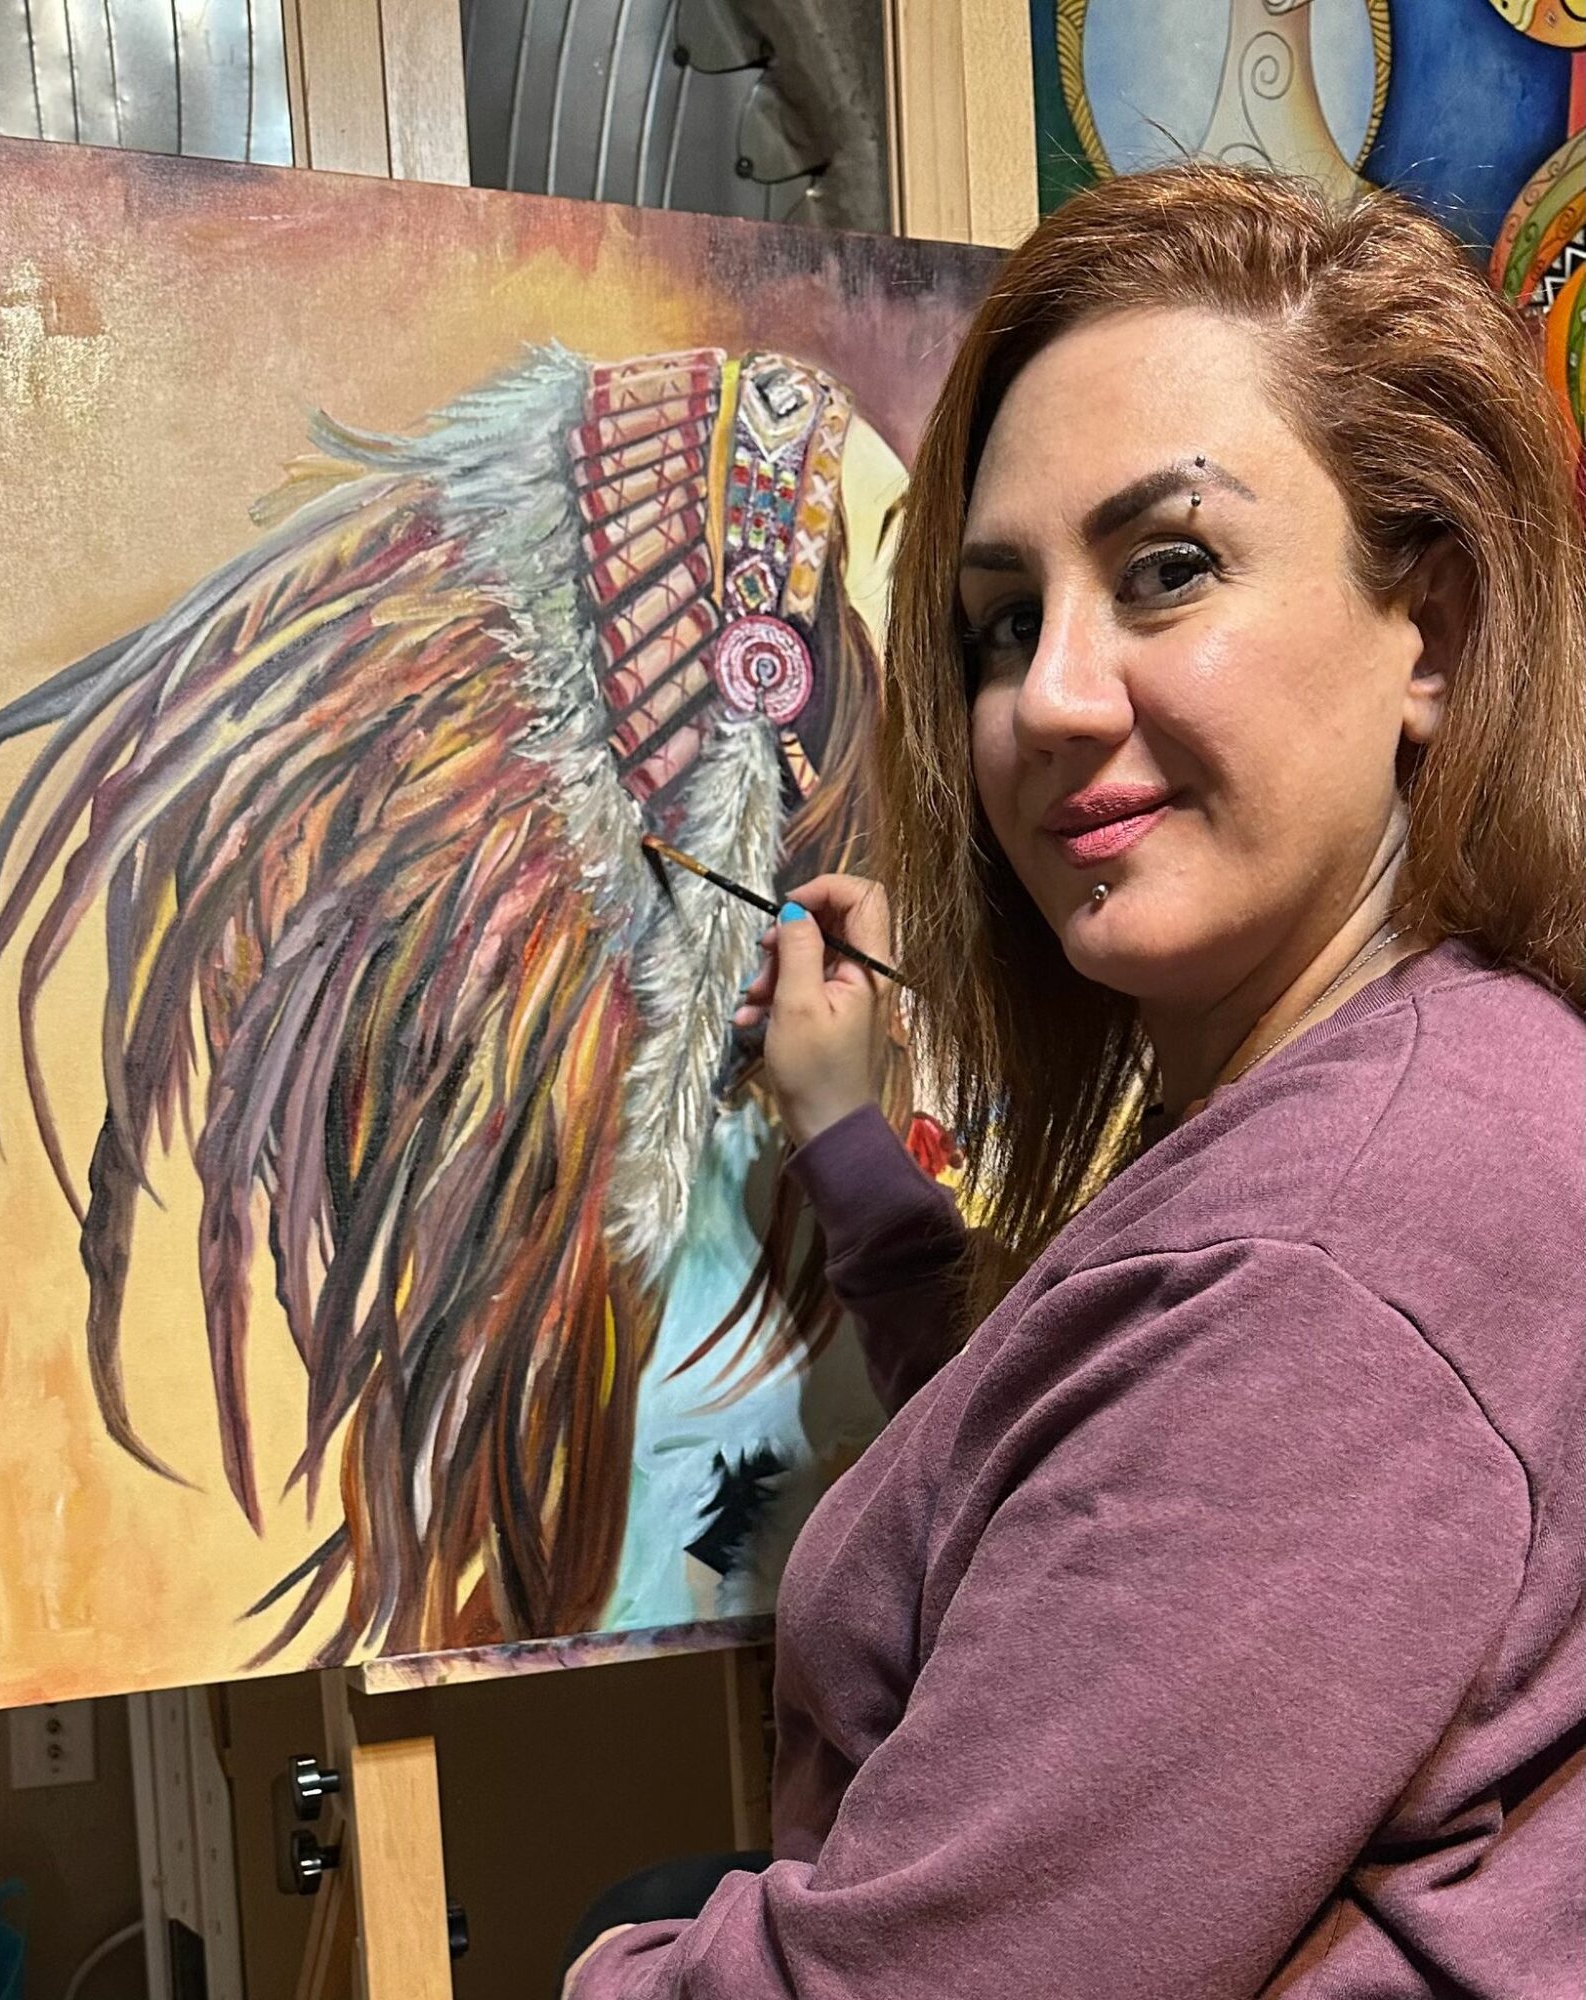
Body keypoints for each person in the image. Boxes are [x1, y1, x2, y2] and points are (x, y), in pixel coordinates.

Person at [562, 162, 1585, 1999]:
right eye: (999, 621)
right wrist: (850, 1146)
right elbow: (1080, 1470)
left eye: (1166, 569)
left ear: (1426, 631)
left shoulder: (1338, 1257)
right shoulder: (1424, 1080)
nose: (1044, 697)